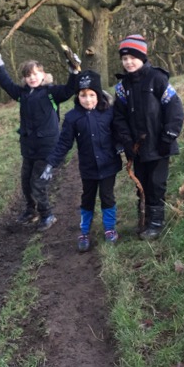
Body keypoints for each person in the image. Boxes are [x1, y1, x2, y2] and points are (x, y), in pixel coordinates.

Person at [0, 48, 83, 229]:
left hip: (47, 148)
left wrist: (74, 70)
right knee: (26, 182)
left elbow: (70, 89)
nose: (32, 78)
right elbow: (7, 84)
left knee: (38, 183)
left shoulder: (52, 92)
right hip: (29, 148)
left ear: (43, 75)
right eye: (28, 75)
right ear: (24, 78)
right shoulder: (22, 94)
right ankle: (31, 211)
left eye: (35, 74)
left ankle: (47, 215)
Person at [110, 34, 183, 238]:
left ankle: (157, 222)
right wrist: (125, 140)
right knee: (141, 182)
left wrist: (168, 136)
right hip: (136, 147)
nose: (128, 62)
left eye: (132, 57)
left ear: (142, 56)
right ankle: (144, 219)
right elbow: (119, 117)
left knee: (156, 183)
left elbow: (175, 109)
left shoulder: (158, 79)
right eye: (124, 59)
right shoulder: (122, 87)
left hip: (159, 145)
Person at [48, 69, 125, 251]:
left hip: (108, 165)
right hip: (88, 167)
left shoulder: (109, 112)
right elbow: (64, 143)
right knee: (87, 198)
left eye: (92, 94)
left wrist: (121, 145)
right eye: (83, 95)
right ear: (77, 96)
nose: (88, 99)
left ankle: (109, 228)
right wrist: (51, 162)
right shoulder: (72, 117)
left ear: (98, 95)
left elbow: (119, 132)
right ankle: (84, 231)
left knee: (107, 196)